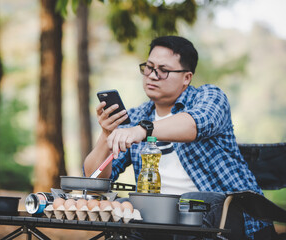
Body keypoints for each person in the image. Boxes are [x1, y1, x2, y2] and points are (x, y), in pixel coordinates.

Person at [84, 36, 275, 239]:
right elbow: (93, 178)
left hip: (226, 217)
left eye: (163, 70)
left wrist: (143, 130)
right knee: (121, 212)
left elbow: (195, 124)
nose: (152, 75)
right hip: (160, 218)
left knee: (190, 204)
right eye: (148, 67)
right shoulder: (137, 117)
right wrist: (107, 135)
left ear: (187, 77)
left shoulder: (210, 97)